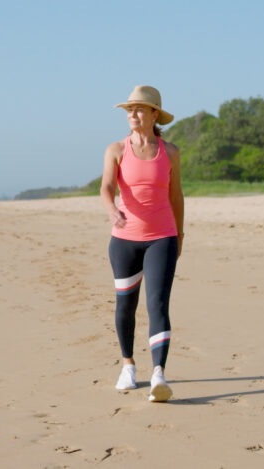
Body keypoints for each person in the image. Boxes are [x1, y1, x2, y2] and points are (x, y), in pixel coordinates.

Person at [100, 85, 184, 402]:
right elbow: (106, 187)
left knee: (157, 304)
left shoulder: (171, 152)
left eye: (138, 109)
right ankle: (128, 366)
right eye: (128, 110)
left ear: (154, 114)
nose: (132, 115)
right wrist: (112, 212)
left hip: (162, 238)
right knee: (126, 305)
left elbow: (176, 196)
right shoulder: (116, 150)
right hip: (124, 241)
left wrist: (181, 234)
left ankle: (158, 374)